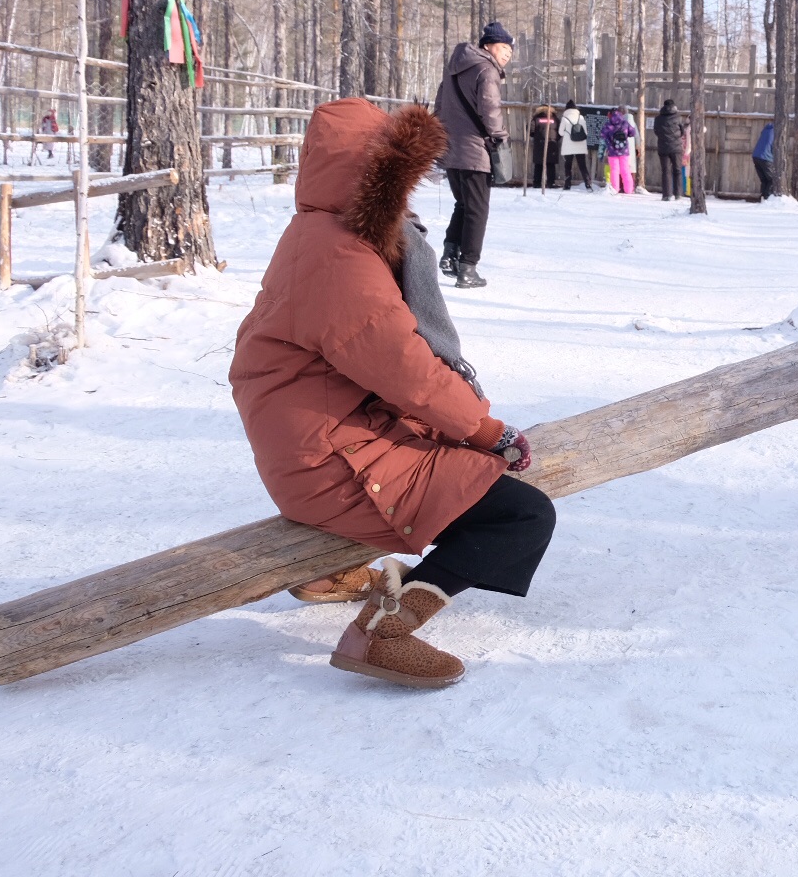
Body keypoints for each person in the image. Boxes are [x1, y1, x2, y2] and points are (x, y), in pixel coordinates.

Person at [230, 98, 555, 689]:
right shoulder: (340, 255)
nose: (406, 194)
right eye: (397, 177)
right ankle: (380, 631)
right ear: (370, 174)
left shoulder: (319, 234)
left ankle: (335, 571)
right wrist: (485, 429)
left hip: (322, 441)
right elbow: (401, 365)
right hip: (334, 462)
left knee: (468, 473)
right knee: (521, 516)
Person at [433, 21, 512, 288]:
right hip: (474, 151)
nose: (507, 54)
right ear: (488, 46)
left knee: (463, 205)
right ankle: (468, 268)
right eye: (503, 48)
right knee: (477, 210)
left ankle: (449, 255)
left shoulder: (454, 70)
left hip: (451, 148)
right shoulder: (486, 69)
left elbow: (440, 105)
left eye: (510, 50)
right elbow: (490, 108)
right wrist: (500, 136)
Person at [601, 106, 638, 193]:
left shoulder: (608, 124)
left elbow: (602, 136)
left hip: (612, 151)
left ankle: (615, 189)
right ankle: (629, 189)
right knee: (625, 170)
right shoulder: (625, 123)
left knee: (614, 170)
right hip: (624, 150)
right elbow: (632, 133)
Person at [654, 99, 686, 200]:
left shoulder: (658, 118)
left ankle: (667, 195)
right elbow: (682, 132)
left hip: (663, 147)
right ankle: (678, 194)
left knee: (666, 171)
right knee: (677, 170)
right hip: (676, 147)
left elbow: (656, 131)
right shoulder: (678, 118)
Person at [558, 99, 592, 190]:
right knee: (582, 165)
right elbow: (586, 132)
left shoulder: (564, 118)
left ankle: (567, 185)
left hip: (568, 146)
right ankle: (588, 184)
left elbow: (560, 133)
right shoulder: (581, 118)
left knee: (568, 166)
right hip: (580, 145)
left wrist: (567, 133)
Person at [529, 103, 561, 189]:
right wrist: (555, 139)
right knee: (550, 165)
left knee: (538, 165)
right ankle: (551, 183)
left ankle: (536, 183)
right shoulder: (555, 119)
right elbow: (560, 132)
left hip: (539, 145)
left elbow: (531, 131)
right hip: (552, 145)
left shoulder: (536, 119)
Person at [751, 121, 777, 200]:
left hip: (756, 156)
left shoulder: (766, 130)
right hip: (765, 157)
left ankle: (762, 197)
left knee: (764, 179)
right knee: (772, 179)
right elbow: (774, 147)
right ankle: (767, 198)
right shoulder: (776, 131)